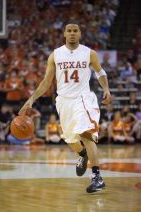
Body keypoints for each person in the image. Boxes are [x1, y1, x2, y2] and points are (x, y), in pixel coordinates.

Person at [19, 23, 111, 193]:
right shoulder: (55, 55)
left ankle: (97, 177)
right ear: (64, 34)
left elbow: (100, 72)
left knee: (86, 134)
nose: (72, 33)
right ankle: (82, 154)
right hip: (63, 101)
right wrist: (31, 99)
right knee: (70, 139)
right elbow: (47, 81)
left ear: (80, 33)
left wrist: (106, 88)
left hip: (83, 99)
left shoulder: (89, 53)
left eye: (75, 30)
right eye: (69, 31)